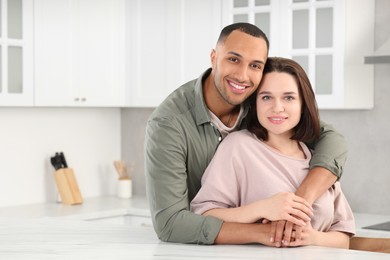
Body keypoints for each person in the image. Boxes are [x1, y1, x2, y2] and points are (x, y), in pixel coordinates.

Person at [144, 22, 347, 245]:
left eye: (255, 65)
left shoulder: (259, 101)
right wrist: (271, 232)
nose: (242, 75)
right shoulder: (169, 123)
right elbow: (170, 224)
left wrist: (299, 204)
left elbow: (332, 139)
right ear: (213, 57)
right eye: (233, 59)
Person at [191, 57, 356, 249]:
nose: (277, 108)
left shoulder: (316, 160)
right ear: (255, 103)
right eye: (266, 97)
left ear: (303, 104)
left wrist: (312, 237)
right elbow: (203, 214)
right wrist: (262, 208)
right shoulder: (237, 147)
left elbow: (344, 239)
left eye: (288, 97)